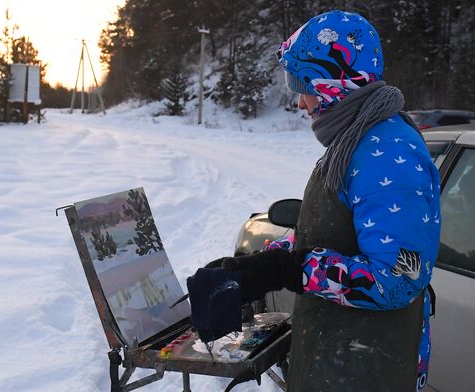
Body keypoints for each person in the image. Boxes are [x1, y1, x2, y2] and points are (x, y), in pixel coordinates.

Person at [187, 10, 440, 392]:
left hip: (372, 369)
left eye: (302, 83)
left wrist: (291, 270)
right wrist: (258, 265)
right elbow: (331, 232)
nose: (300, 102)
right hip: (340, 360)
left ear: (333, 83)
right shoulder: (355, 141)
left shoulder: (387, 152)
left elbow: (397, 278)